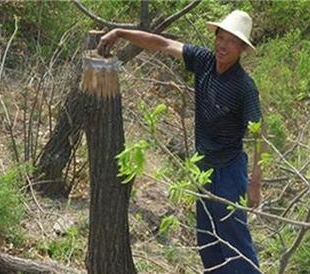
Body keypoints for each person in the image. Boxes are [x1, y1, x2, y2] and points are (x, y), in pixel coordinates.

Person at [98, 10, 263, 274]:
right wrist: (120, 32)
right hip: (202, 168)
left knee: (235, 242)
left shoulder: (244, 86)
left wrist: (255, 181)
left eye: (231, 41)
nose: (223, 45)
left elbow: (258, 134)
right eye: (220, 37)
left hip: (230, 172)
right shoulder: (204, 61)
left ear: (242, 47)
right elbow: (163, 44)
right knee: (208, 241)